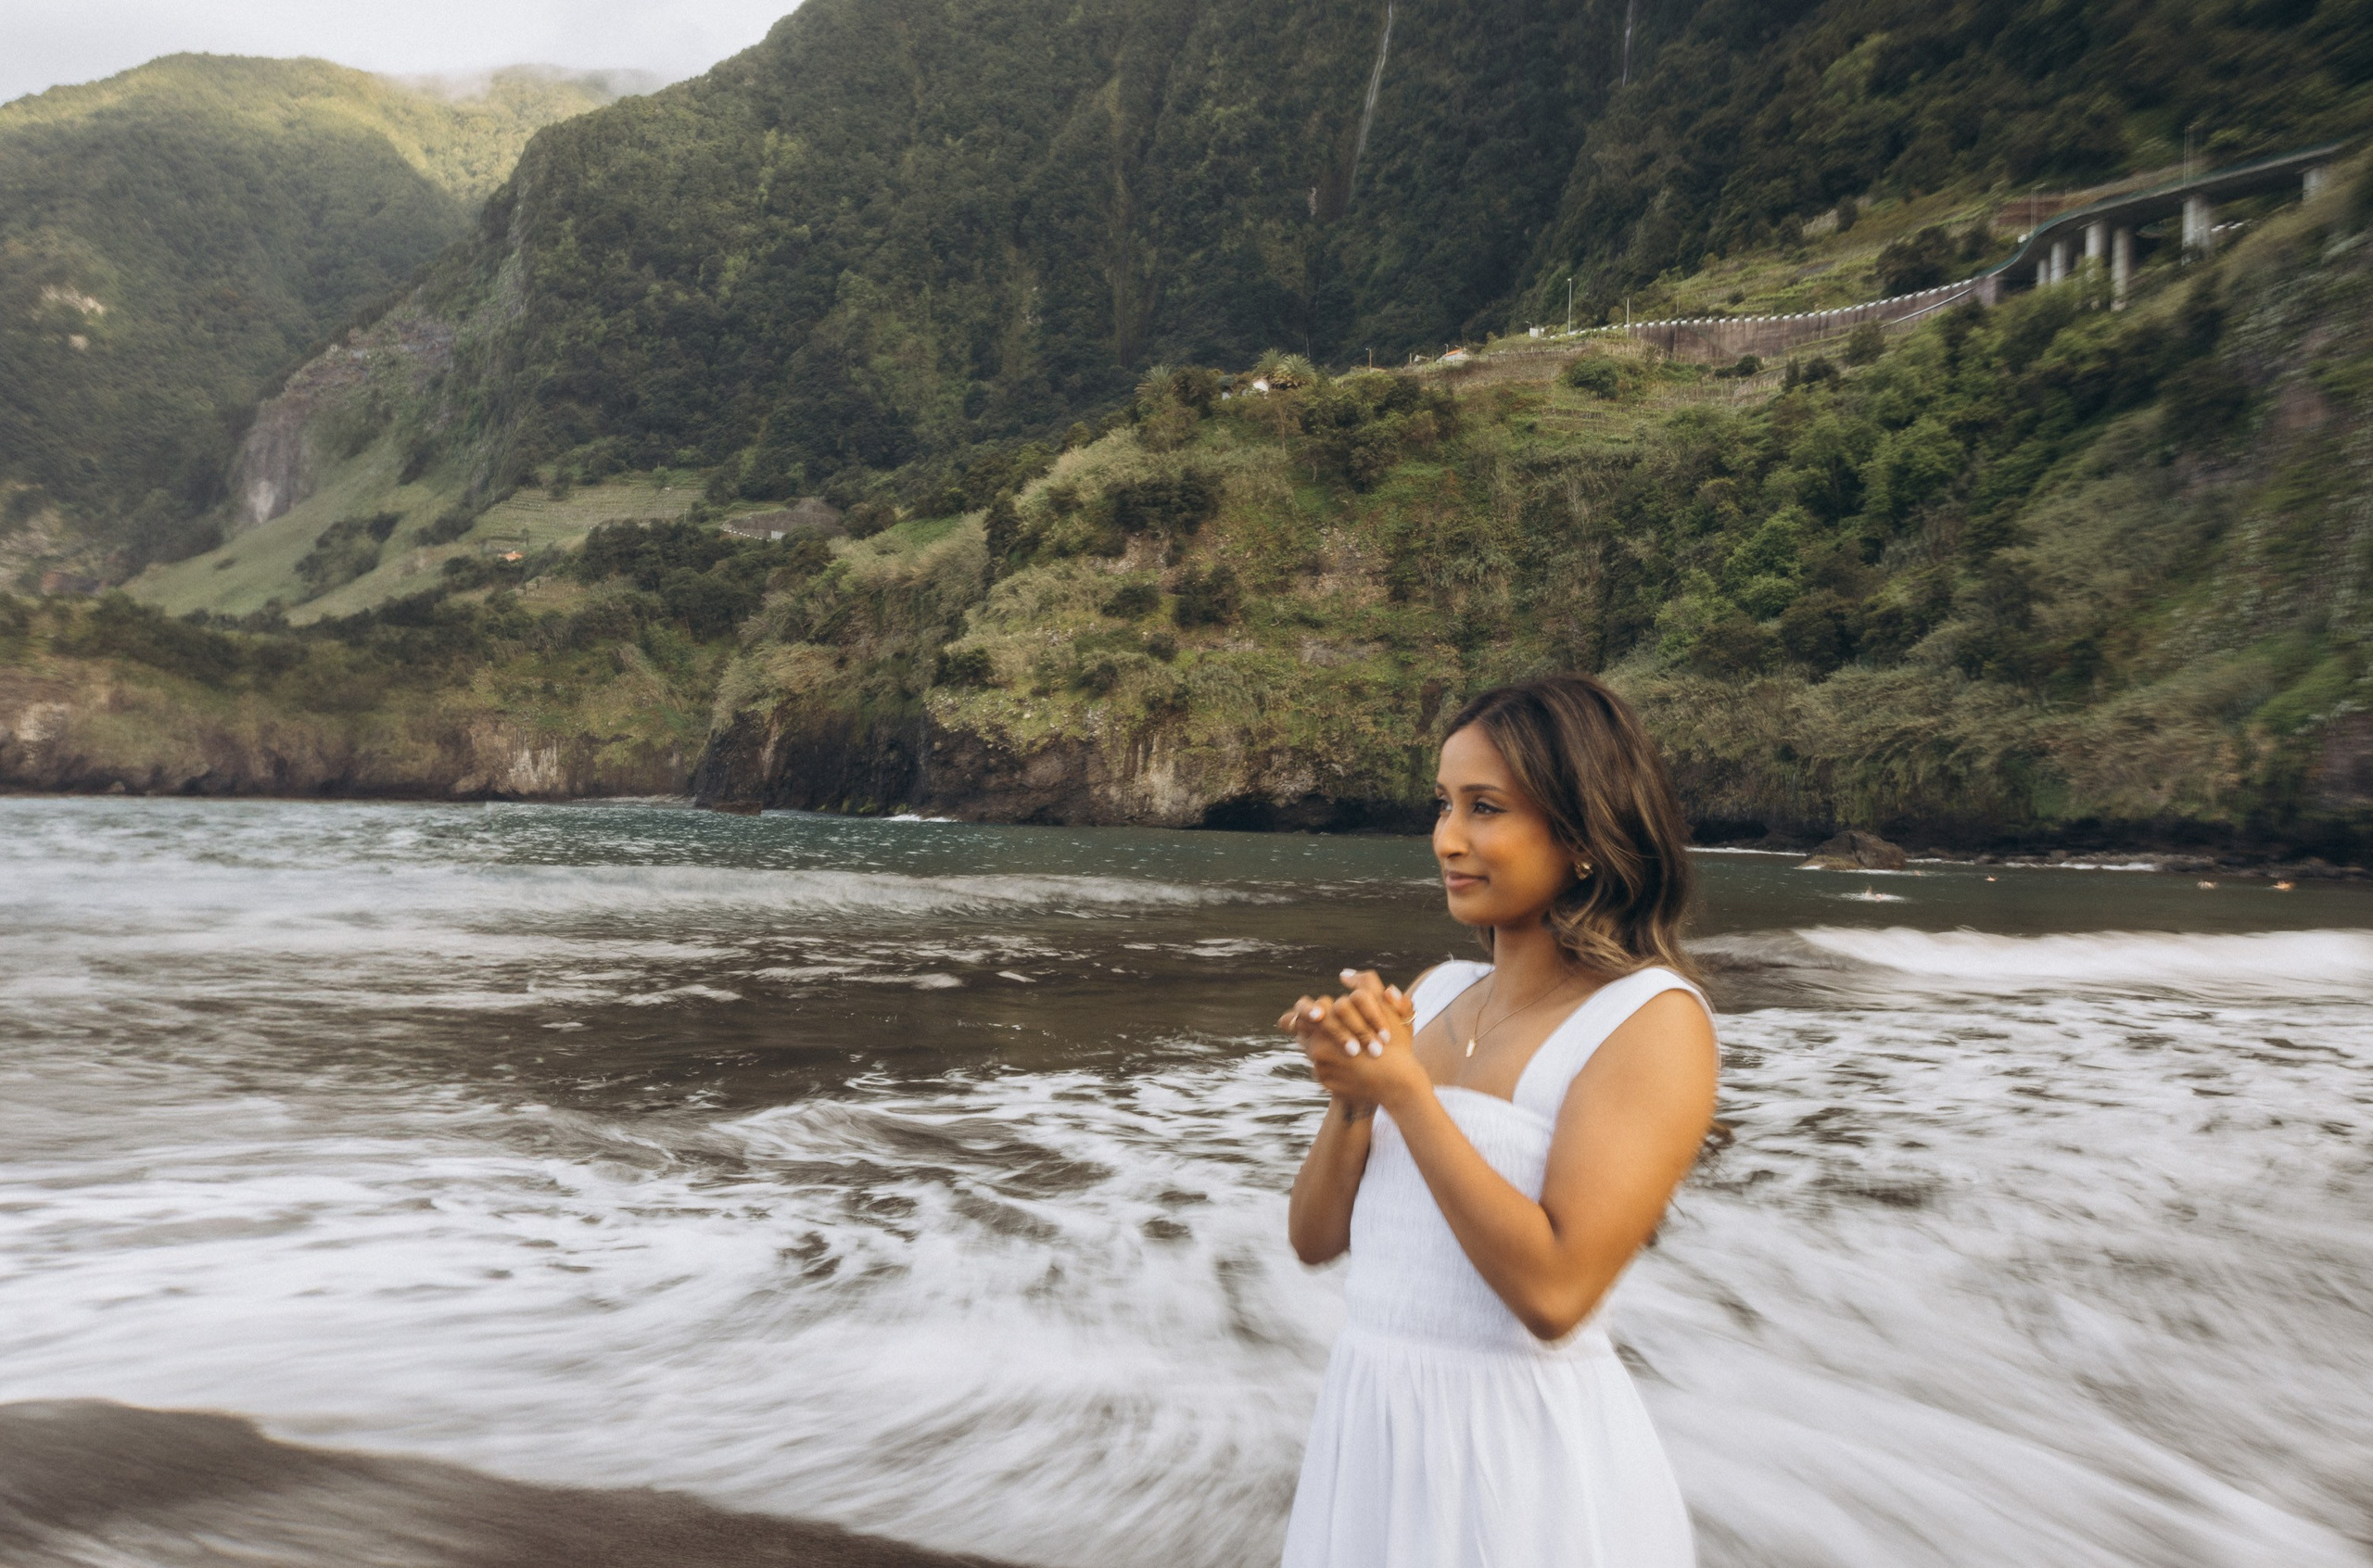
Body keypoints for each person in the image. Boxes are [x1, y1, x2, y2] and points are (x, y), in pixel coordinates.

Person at [1275, 674, 1718, 1568]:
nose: (1448, 838)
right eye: (1443, 805)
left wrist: (1407, 1093)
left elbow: (1554, 1297)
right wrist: (1353, 1096)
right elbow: (1315, 1241)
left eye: (1485, 808)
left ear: (1583, 833)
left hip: (1520, 1468)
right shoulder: (1438, 994)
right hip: (1372, 1437)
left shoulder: (1651, 1021)